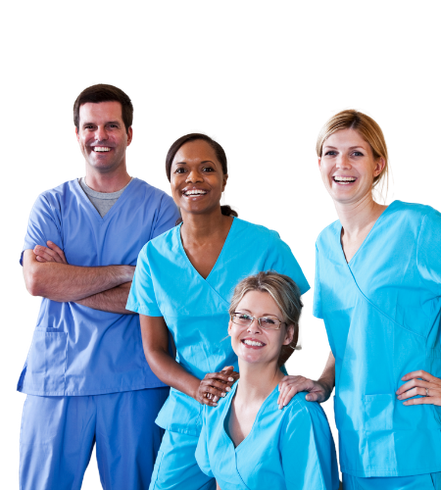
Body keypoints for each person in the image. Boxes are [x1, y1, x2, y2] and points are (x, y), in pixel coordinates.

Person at [277, 107, 441, 490]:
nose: (341, 163)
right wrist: (323, 384)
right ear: (318, 162)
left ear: (378, 165)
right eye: (331, 152)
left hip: (415, 441)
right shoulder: (325, 243)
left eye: (356, 153)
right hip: (352, 445)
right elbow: (346, 339)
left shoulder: (416, 226)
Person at [16, 83, 180, 490]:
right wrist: (128, 271)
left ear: (129, 134)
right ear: (77, 134)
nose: (100, 136)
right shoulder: (50, 204)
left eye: (111, 126)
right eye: (90, 127)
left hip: (135, 377)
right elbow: (37, 280)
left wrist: (69, 280)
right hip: (56, 376)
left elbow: (159, 298)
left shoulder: (162, 208)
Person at [126, 131, 310, 490]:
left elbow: (294, 331)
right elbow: (154, 350)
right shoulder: (153, 258)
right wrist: (199, 390)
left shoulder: (265, 244)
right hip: (189, 413)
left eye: (206, 169)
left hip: (260, 408)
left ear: (226, 179)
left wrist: (252, 381)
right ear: (170, 182)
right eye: (182, 171)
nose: (193, 178)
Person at [195, 271, 340, 490]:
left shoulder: (299, 414)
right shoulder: (217, 401)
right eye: (243, 316)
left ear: (288, 335)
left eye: (268, 321)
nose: (253, 328)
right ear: (230, 325)